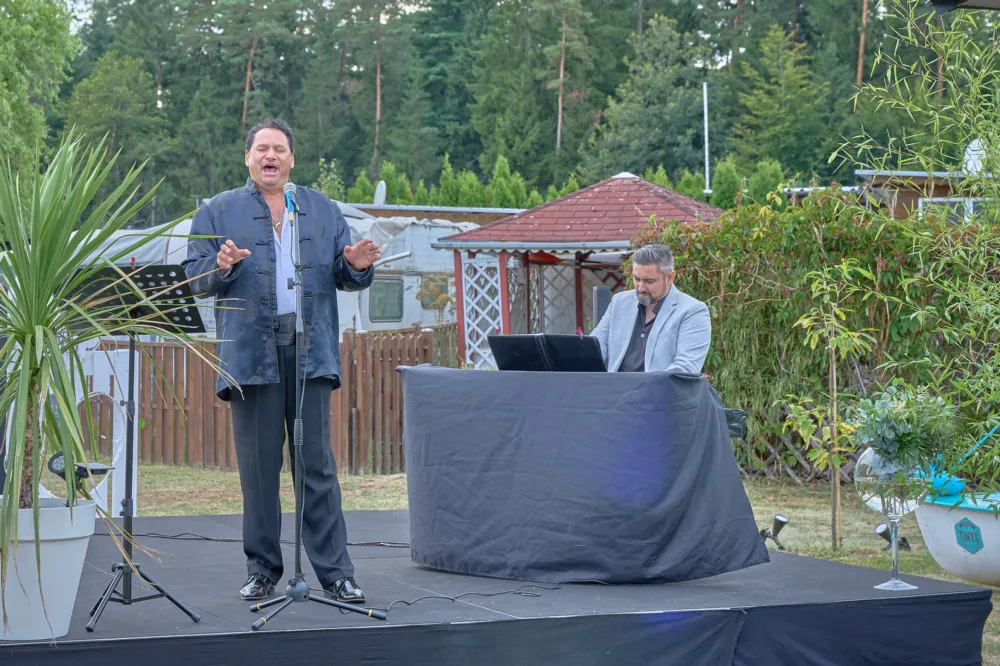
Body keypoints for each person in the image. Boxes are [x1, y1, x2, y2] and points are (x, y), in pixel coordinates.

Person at [182, 118, 379, 604]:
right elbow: (193, 277)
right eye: (262, 149)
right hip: (250, 354)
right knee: (258, 467)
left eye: (280, 149)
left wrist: (355, 265)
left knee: (316, 465)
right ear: (247, 158)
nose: (270, 156)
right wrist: (220, 266)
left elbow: (345, 273)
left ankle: (335, 573)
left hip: (309, 354)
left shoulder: (321, 209)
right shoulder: (216, 211)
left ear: (291, 159)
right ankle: (263, 570)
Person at [590, 244, 711, 374]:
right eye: (636, 279)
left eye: (649, 281)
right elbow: (593, 350)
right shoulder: (619, 302)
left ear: (670, 277)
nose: (640, 287)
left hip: (661, 393)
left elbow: (685, 369)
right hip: (616, 392)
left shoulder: (692, 311)